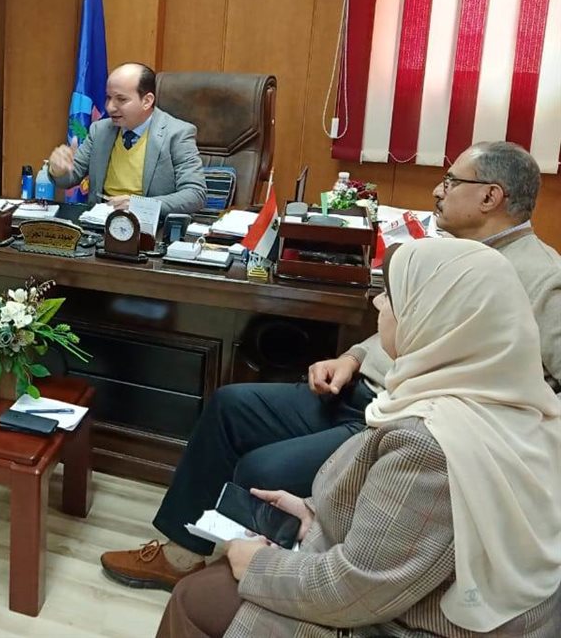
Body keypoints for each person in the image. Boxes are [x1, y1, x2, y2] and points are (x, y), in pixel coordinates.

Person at [101, 140, 560, 591]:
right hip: (357, 390)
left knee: (262, 470)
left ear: (489, 196)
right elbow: (404, 322)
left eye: (452, 181)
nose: (439, 190)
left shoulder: (544, 278)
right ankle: (181, 556)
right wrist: (351, 356)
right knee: (229, 406)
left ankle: (251, 584)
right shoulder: (449, 250)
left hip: (403, 421)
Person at [158, 239, 561, 638]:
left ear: (432, 320)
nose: (378, 303)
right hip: (414, 594)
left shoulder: (430, 443)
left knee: (196, 597)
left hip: (414, 622)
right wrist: (313, 514)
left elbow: (356, 589)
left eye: (392, 297)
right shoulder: (523, 405)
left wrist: (257, 566)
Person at [47, 62, 206, 214]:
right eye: (108, 98)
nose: (110, 107)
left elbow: (195, 194)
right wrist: (58, 171)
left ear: (147, 101)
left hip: (149, 226)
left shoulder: (177, 133)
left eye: (121, 99)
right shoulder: (99, 130)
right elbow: (69, 179)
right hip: (99, 221)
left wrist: (140, 205)